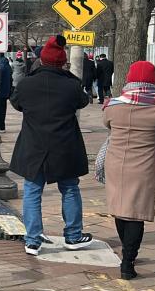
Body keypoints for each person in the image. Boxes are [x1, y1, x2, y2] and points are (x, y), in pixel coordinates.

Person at [9, 36, 92, 256]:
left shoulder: (27, 84)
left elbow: (16, 103)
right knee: (70, 189)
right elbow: (84, 101)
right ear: (62, 62)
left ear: (42, 61)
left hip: (34, 145)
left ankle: (33, 240)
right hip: (64, 146)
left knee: (32, 191)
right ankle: (73, 235)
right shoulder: (71, 85)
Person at [102, 61, 155, 280]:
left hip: (115, 165)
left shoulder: (113, 106)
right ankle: (128, 261)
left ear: (129, 78)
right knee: (135, 216)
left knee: (120, 209)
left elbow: (107, 125)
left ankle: (127, 250)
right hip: (144, 168)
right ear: (153, 81)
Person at [0, 55, 13, 131]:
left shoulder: (0, 65)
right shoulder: (8, 66)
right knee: (3, 109)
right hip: (5, 91)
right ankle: (2, 126)